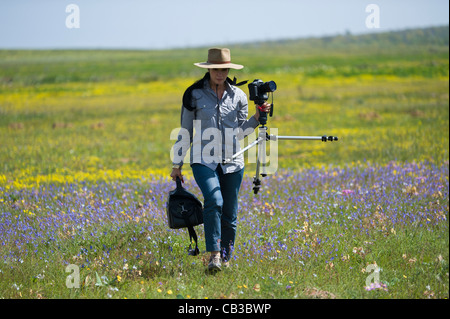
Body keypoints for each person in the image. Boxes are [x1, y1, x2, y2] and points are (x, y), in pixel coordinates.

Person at [170, 48, 271, 272]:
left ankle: (226, 259)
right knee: (214, 200)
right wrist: (177, 164)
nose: (221, 73)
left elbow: (240, 132)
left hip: (233, 161)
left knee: (230, 214)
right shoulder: (193, 94)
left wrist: (256, 117)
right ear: (209, 69)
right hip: (202, 159)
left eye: (224, 69)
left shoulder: (239, 96)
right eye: (217, 69)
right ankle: (214, 256)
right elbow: (185, 130)